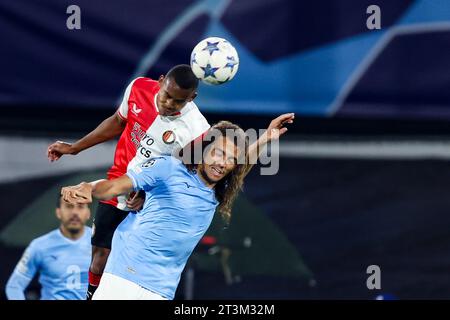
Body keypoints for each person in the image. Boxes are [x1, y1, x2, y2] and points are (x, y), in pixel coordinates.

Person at [61, 115, 293, 300]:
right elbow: (114, 187)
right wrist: (88, 189)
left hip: (162, 291)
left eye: (230, 159)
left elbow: (243, 162)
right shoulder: (167, 168)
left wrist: (266, 139)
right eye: (218, 153)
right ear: (204, 149)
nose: (222, 163)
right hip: (123, 277)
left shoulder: (215, 193)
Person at [47, 64, 210, 298]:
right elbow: (117, 121)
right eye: (166, 95)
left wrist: (146, 194)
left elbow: (180, 175)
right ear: (160, 81)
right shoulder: (138, 88)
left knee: (131, 265)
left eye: (178, 101)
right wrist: (75, 148)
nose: (168, 103)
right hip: (117, 183)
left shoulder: (197, 130)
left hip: (152, 204)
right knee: (99, 259)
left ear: (192, 98)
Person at [5, 194, 91, 300]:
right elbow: (14, 286)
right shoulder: (40, 246)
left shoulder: (102, 244)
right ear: (58, 212)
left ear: (88, 213)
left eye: (80, 207)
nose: (74, 213)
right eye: (68, 206)